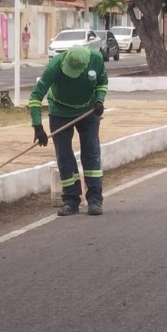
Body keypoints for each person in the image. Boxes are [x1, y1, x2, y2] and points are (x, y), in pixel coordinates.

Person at [28, 45, 108, 216]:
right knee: (64, 156)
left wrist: (100, 101)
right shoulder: (55, 66)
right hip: (60, 111)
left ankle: (94, 200)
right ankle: (70, 200)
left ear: (86, 65)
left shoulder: (96, 59)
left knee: (91, 153)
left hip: (88, 110)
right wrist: (37, 126)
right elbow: (35, 96)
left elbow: (102, 83)